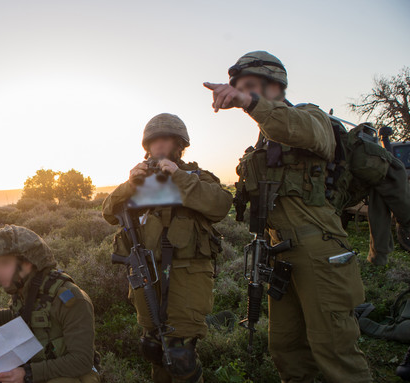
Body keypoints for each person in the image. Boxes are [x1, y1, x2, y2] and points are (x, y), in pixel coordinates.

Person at [203, 50, 373, 382]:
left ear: (274, 84)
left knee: (335, 350)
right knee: (286, 348)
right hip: (279, 252)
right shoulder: (264, 140)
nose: (244, 94)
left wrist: (248, 102)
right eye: (241, 88)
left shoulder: (309, 117)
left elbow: (296, 128)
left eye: (251, 86)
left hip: (320, 250)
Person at [101, 113, 232, 383]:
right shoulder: (139, 183)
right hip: (148, 277)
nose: (159, 145)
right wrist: (129, 186)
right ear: (147, 146)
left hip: (187, 278)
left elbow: (220, 205)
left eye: (166, 139)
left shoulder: (197, 177)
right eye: (154, 140)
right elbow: (109, 213)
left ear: (179, 144)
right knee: (153, 349)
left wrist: (179, 177)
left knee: (180, 357)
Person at [0, 225, 100, 383]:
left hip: (72, 373)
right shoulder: (26, 291)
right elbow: (19, 317)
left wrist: (27, 373)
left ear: (29, 262)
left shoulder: (70, 299)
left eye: (4, 264)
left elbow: (81, 361)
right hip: (40, 366)